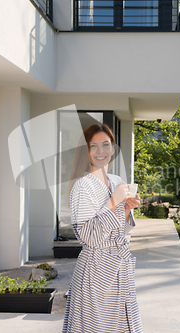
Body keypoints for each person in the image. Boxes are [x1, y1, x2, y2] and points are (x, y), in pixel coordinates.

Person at [62, 123, 143, 333]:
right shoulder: (82, 185)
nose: (101, 151)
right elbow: (89, 237)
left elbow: (119, 230)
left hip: (119, 267)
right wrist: (113, 203)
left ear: (113, 148)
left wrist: (125, 209)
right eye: (94, 146)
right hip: (96, 271)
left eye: (106, 145)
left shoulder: (115, 181)